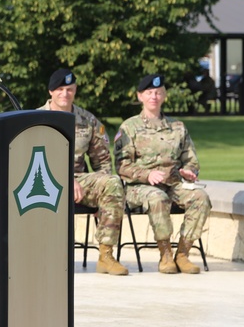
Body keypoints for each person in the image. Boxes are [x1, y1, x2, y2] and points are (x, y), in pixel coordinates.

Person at [114, 73, 211, 274]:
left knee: (201, 197)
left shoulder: (177, 127)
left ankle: (183, 253)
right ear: (140, 96)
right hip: (140, 187)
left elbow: (191, 159)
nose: (154, 97)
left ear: (164, 96)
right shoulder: (129, 127)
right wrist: (146, 175)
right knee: (157, 197)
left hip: (174, 183)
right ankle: (165, 254)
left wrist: (190, 171)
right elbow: (122, 166)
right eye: (149, 93)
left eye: (158, 92)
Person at [37, 68, 128, 276]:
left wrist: (101, 195)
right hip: (43, 182)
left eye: (69, 89)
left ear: (75, 90)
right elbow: (32, 161)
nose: (65, 94)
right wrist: (65, 180)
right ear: (50, 92)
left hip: (81, 182)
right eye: (60, 89)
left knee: (112, 183)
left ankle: (106, 255)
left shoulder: (87, 121)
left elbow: (103, 161)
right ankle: (43, 258)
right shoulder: (36, 119)